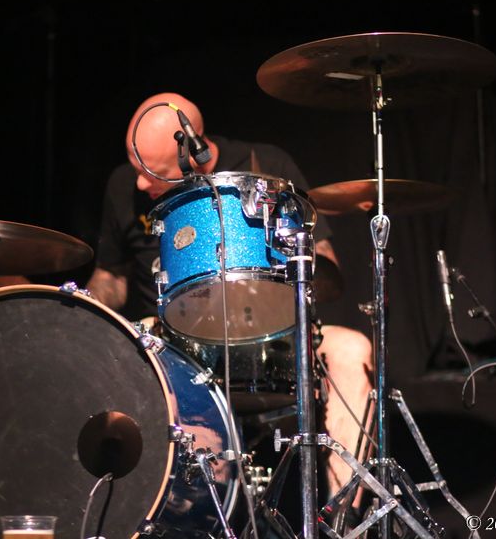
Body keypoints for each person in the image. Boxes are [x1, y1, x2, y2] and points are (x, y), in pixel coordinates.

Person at [87, 91, 373, 497]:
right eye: (137, 168)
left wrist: (300, 263)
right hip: (173, 342)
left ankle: (343, 515)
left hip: (275, 336)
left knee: (352, 351)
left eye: (154, 173)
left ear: (194, 154)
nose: (140, 182)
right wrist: (83, 312)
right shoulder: (122, 186)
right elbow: (112, 278)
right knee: (120, 352)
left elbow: (323, 263)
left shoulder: (266, 164)